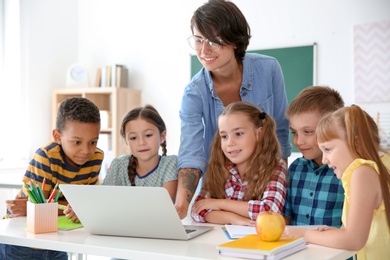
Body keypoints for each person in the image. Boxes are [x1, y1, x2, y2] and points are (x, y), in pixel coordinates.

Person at [176, 0, 291, 219]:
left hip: (265, 184)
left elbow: (281, 133)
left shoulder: (269, 70)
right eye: (198, 40)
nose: (204, 50)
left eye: (214, 41)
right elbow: (191, 154)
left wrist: (279, 181)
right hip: (222, 185)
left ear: (235, 41)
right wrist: (181, 204)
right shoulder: (194, 92)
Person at [0, 97, 104, 260]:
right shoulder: (46, 157)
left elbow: (83, 205)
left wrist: (76, 208)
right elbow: (38, 208)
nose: (86, 150)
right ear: (57, 136)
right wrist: (71, 207)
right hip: (22, 240)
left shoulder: (96, 157)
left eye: (93, 142)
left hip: (56, 239)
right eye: (77, 142)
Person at [284, 105, 390, 260]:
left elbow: (354, 240)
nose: (325, 160)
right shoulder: (379, 166)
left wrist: (305, 234)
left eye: (328, 149)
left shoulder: (362, 173)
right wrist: (333, 233)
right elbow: (352, 231)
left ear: (356, 143)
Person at [191, 102, 287, 225]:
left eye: (238, 134)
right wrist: (232, 219)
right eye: (224, 136)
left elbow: (270, 211)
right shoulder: (220, 167)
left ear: (259, 134)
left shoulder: (274, 167)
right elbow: (197, 210)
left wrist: (219, 203)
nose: (230, 143)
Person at [282, 86, 345, 227]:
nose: (298, 141)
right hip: (297, 247)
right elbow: (286, 217)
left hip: (333, 248)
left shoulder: (345, 171)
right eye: (294, 132)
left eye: (308, 132)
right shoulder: (295, 168)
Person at [102, 105, 177, 201]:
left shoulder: (170, 164)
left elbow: (165, 204)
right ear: (126, 141)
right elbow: (105, 201)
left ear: (162, 136)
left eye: (148, 135)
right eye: (133, 138)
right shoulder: (119, 165)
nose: (141, 142)